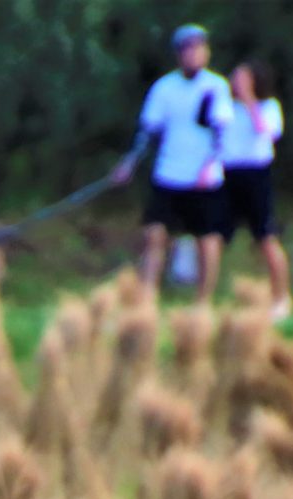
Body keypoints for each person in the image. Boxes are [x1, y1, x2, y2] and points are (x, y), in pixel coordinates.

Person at [112, 23, 232, 301]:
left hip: (203, 178)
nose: (193, 54)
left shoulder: (216, 87)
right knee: (154, 235)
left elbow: (222, 133)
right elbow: (148, 131)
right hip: (169, 173)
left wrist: (209, 166)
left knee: (207, 238)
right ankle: (147, 298)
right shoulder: (164, 88)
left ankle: (203, 301)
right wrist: (129, 163)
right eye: (188, 49)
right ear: (179, 54)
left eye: (199, 48)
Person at [222, 61, 292, 317]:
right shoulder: (225, 107)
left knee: (265, 237)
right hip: (226, 173)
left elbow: (266, 130)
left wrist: (249, 99)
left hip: (255, 174)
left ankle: (281, 298)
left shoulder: (269, 107)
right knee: (214, 236)